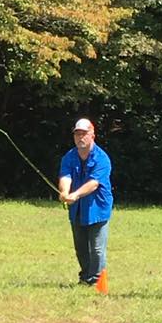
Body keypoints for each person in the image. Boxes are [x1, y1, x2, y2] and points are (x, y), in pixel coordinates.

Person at [58, 118, 113, 285]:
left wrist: (75, 195)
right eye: (77, 133)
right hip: (77, 209)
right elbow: (65, 175)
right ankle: (85, 278)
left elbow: (94, 183)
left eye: (84, 133)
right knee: (81, 248)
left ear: (92, 135)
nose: (80, 137)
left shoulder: (102, 158)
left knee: (96, 249)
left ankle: (97, 282)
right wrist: (65, 191)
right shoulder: (69, 156)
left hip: (98, 208)